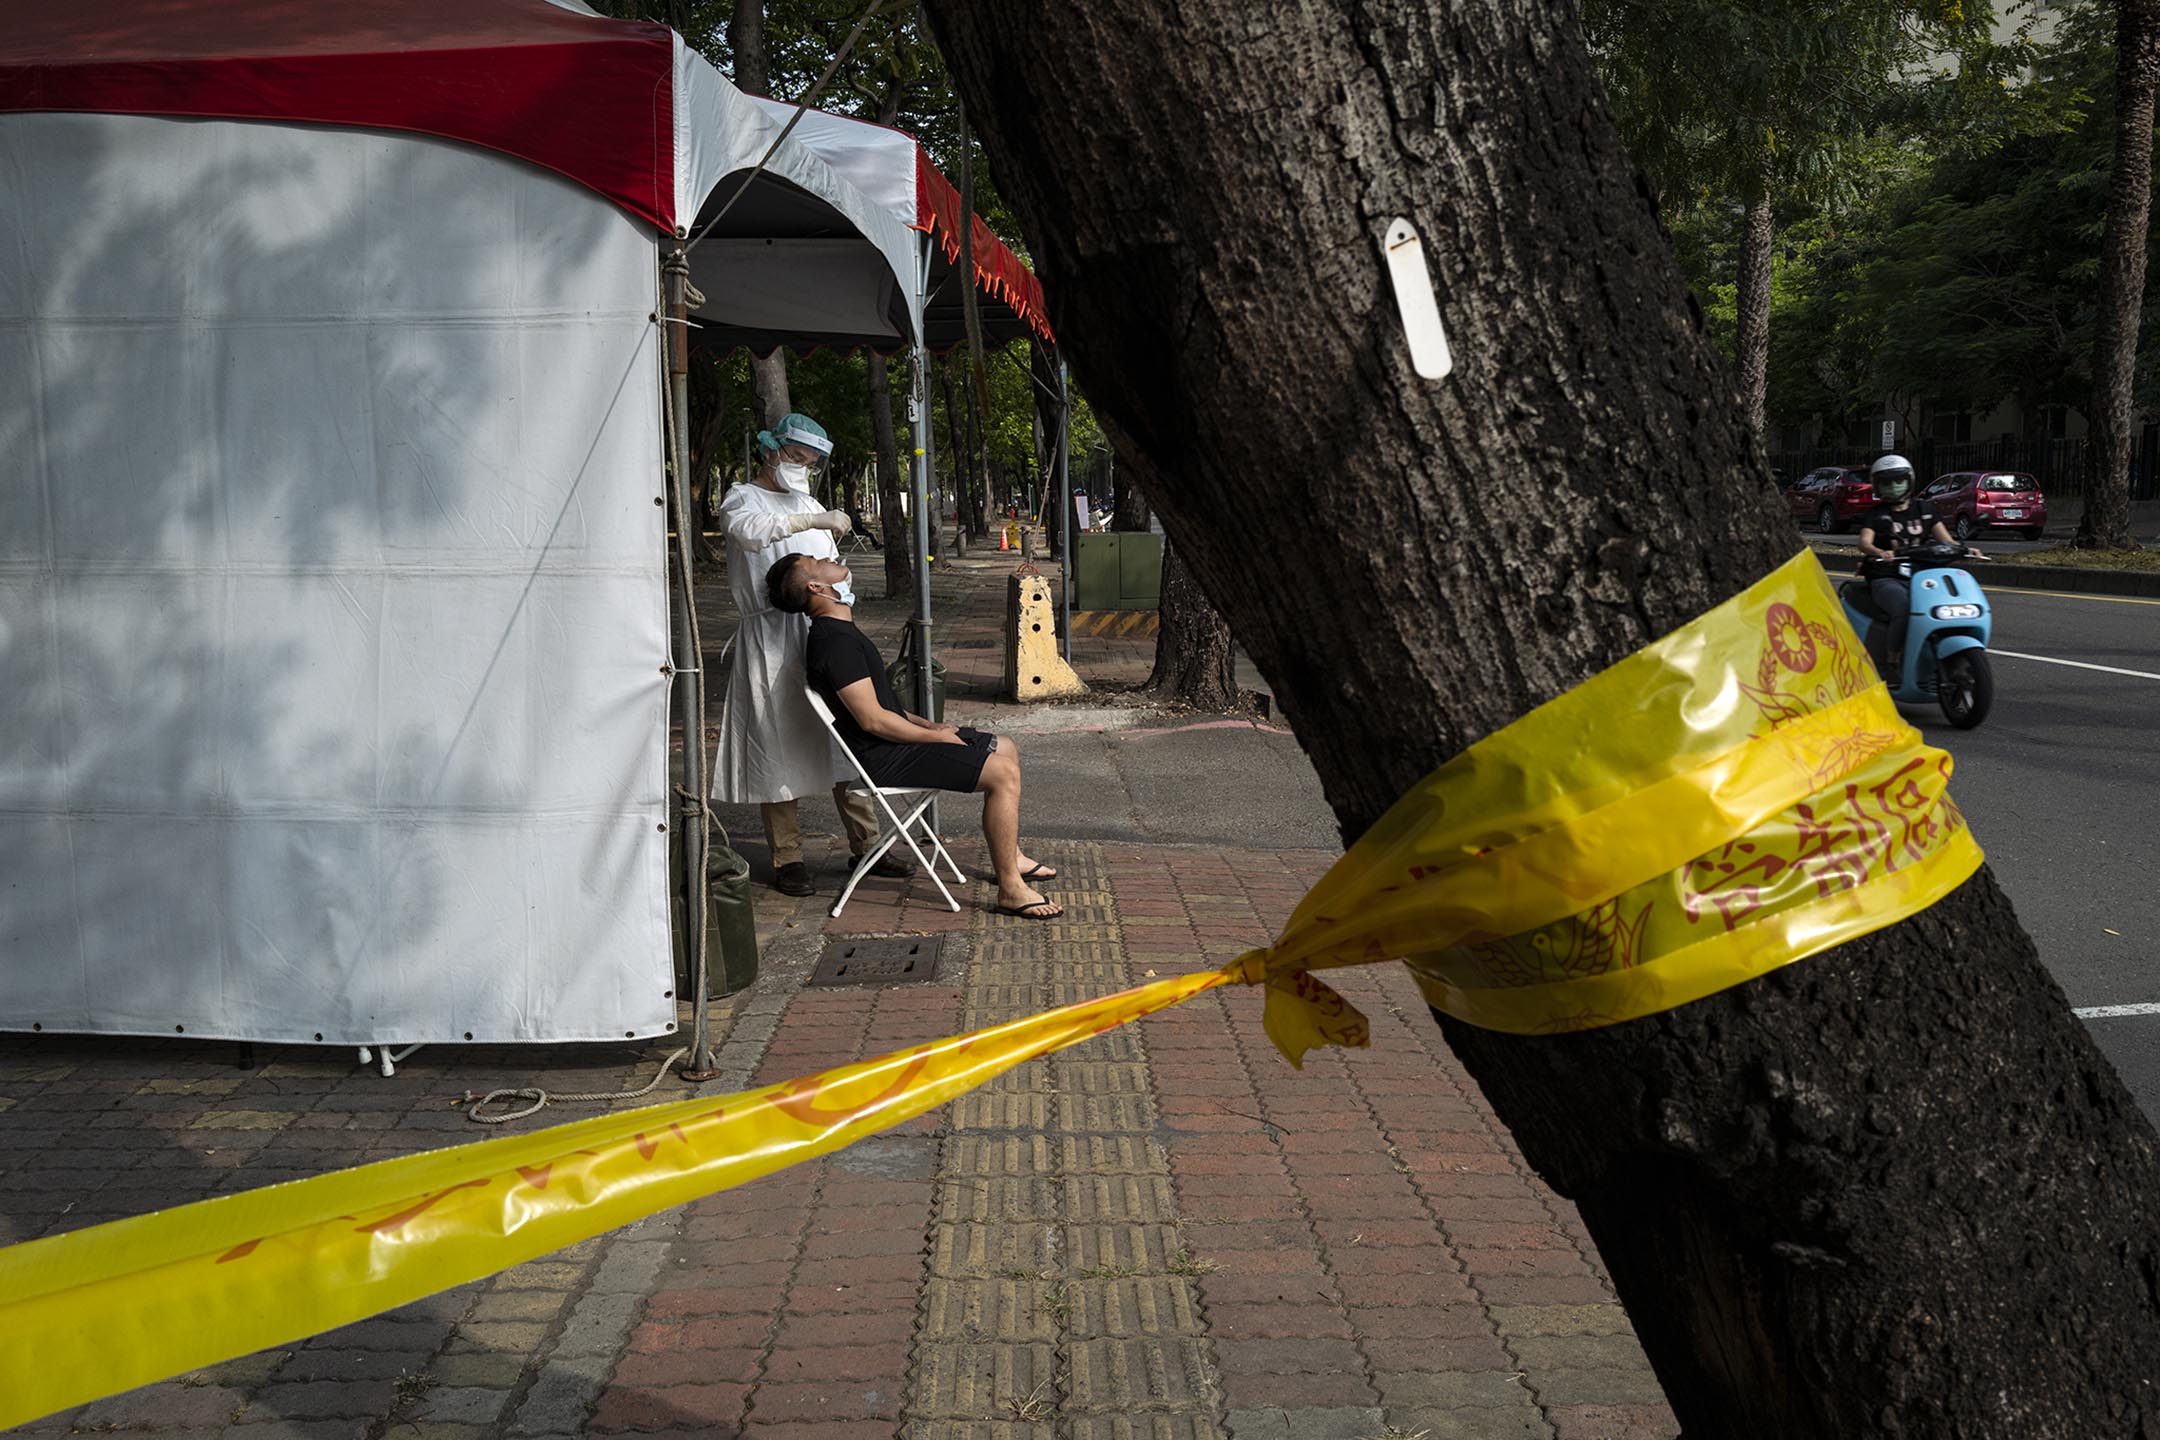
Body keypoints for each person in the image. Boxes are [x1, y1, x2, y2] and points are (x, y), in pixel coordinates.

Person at [767, 552, 1064, 920]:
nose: (828, 557)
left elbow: (884, 706)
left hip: (897, 743)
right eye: (816, 560)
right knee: (1003, 773)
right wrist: (935, 740)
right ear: (816, 586)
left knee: (1006, 747)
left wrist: (930, 726)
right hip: (886, 758)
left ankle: (1012, 857)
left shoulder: (841, 631)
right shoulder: (834, 642)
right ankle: (1010, 889)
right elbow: (873, 721)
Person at [713, 412, 908, 897]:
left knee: (847, 735)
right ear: (772, 450)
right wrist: (812, 519)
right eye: (797, 457)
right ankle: (788, 856)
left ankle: (868, 844)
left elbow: (832, 567)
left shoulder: (808, 498)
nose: (804, 467)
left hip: (823, 630)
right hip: (770, 640)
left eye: (812, 461)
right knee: (777, 744)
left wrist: (844, 598)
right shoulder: (743, 498)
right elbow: (750, 532)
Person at [1854, 453, 1985, 684]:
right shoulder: (1875, 515)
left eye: (1898, 481)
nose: (1894, 487)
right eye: (1887, 483)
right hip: (1887, 577)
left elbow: (1946, 541)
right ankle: (1892, 663)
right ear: (1877, 486)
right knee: (1904, 608)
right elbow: (1865, 542)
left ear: (1909, 481)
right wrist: (1879, 553)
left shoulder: (1925, 509)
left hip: (1923, 576)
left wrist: (1966, 549)